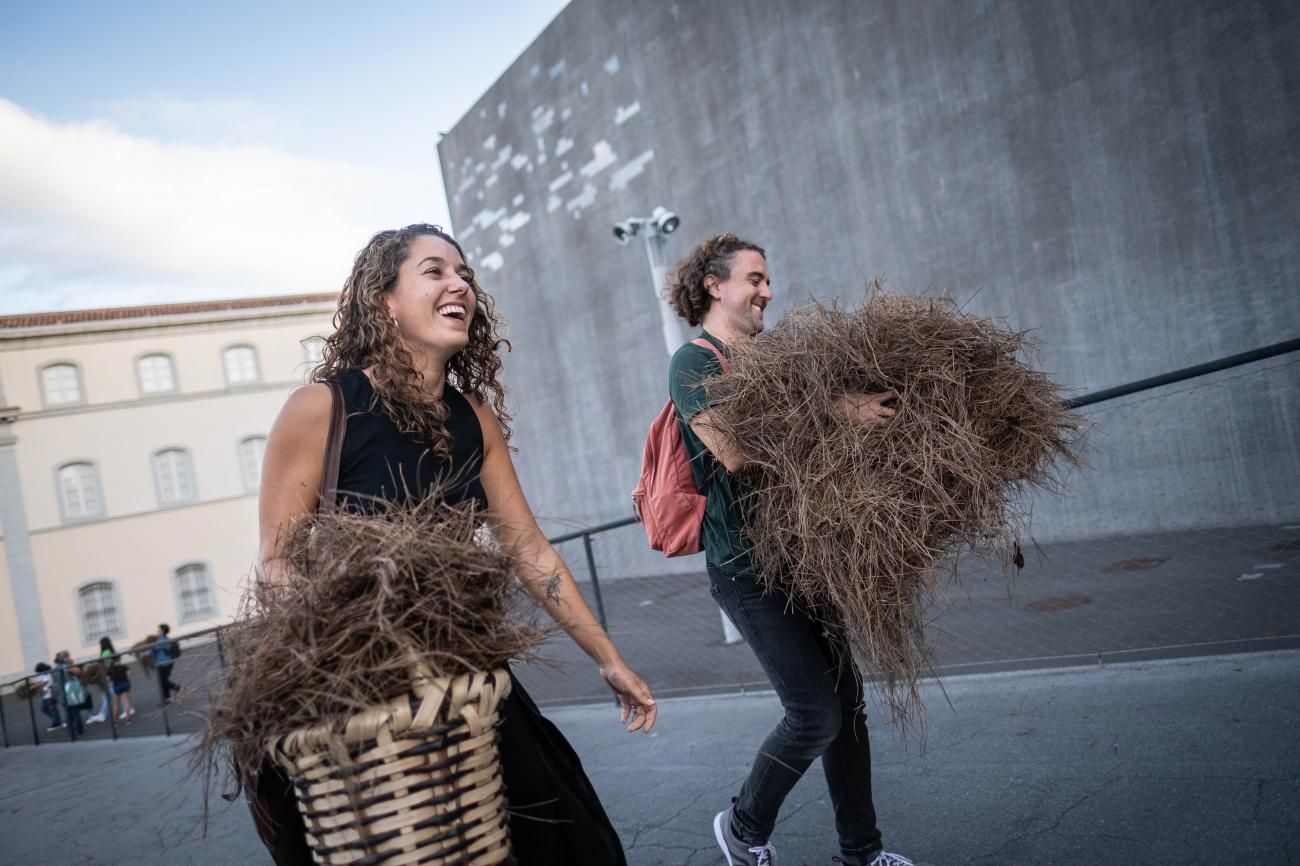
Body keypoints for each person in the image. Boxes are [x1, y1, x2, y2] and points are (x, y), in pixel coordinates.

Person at [249, 223, 657, 865]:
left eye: (464, 273)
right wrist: (343, 644)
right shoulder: (322, 408)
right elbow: (276, 560)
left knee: (573, 840)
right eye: (435, 270)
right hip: (364, 688)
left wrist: (607, 657)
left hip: (467, 675)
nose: (459, 283)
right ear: (384, 300)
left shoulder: (474, 419)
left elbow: (530, 551)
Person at [663, 233, 912, 866]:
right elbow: (736, 452)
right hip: (747, 570)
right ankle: (743, 826)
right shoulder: (694, 364)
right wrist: (836, 411)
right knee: (813, 715)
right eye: (753, 279)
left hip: (807, 562)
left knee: (846, 712)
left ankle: (862, 851)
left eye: (768, 280)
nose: (767, 291)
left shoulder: (778, 357)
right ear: (714, 286)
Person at [51, 650, 87, 737]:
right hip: (70, 693)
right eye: (68, 656)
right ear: (65, 658)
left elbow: (53, 683)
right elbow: (79, 672)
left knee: (68, 713)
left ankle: (72, 733)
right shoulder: (66, 666)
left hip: (60, 694)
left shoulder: (54, 669)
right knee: (75, 713)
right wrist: (71, 663)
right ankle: (80, 731)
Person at [87, 636, 115, 724]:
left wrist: (107, 674)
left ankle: (102, 714)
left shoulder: (105, 653)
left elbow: (107, 665)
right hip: (110, 674)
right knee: (108, 695)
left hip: (108, 675)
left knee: (108, 694)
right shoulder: (109, 651)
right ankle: (102, 713)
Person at [152, 623, 182, 704]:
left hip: (165, 664)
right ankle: (167, 699)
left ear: (162, 631)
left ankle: (179, 689)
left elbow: (153, 650)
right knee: (163, 681)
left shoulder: (161, 640)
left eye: (158, 630)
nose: (157, 631)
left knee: (164, 681)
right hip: (166, 663)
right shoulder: (166, 639)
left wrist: (143, 654)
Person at [33, 662, 63, 731]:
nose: (38, 673)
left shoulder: (48, 674)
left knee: (52, 709)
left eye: (39, 671)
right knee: (44, 709)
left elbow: (44, 683)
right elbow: (39, 682)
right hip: (45, 695)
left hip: (50, 694)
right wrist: (37, 686)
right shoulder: (41, 675)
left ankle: (57, 723)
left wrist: (34, 686)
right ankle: (57, 720)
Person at [108, 651, 134, 722]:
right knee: (127, 702)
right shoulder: (124, 666)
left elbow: (108, 680)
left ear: (112, 660)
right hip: (125, 684)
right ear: (119, 659)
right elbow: (129, 674)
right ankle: (128, 720)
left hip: (116, 685)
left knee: (116, 705)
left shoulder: (110, 669)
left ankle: (115, 721)